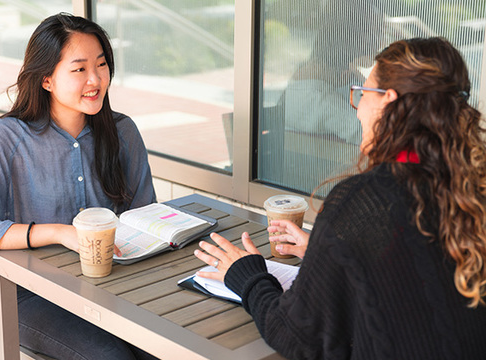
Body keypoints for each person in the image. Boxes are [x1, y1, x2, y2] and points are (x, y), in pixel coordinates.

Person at [194, 37, 486, 359]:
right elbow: (421, 277)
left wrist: (247, 275)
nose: (357, 107)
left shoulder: (366, 200)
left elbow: (298, 338)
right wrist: (328, 252)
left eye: (363, 94)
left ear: (388, 101)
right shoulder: (470, 186)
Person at [0, 13, 157, 360]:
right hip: (29, 296)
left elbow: (145, 216)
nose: (95, 79)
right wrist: (59, 233)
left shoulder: (123, 133)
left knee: (165, 349)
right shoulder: (7, 138)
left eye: (102, 64)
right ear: (46, 79)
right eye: (79, 69)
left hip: (111, 286)